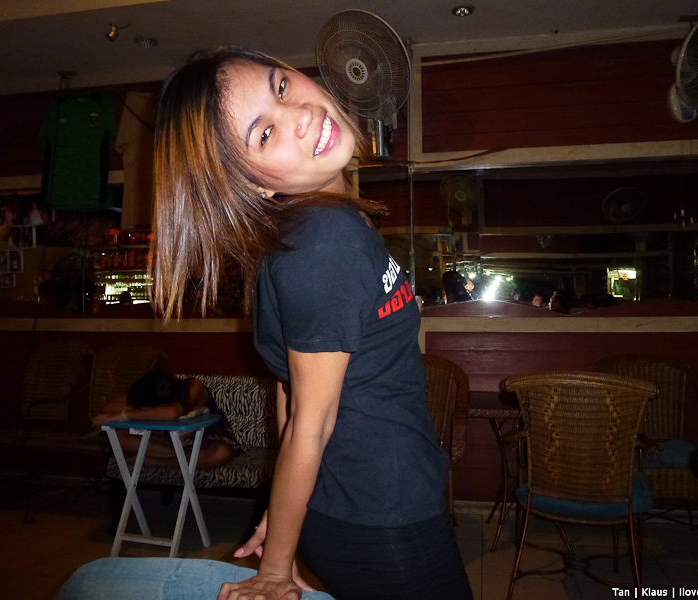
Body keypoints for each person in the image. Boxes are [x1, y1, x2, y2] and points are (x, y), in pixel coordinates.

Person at [149, 47, 472, 600]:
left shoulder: (312, 227)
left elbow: (288, 390)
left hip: (346, 501)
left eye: (280, 86)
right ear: (254, 185)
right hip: (382, 510)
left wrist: (285, 516)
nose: (298, 114)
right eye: (264, 134)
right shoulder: (326, 242)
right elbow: (310, 424)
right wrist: (276, 569)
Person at [91, 369, 237, 469]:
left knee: (222, 452)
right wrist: (143, 409)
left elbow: (172, 413)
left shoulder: (193, 386)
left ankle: (163, 462)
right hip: (171, 442)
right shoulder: (151, 391)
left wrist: (125, 415)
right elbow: (108, 407)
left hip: (207, 439)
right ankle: (182, 458)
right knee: (119, 438)